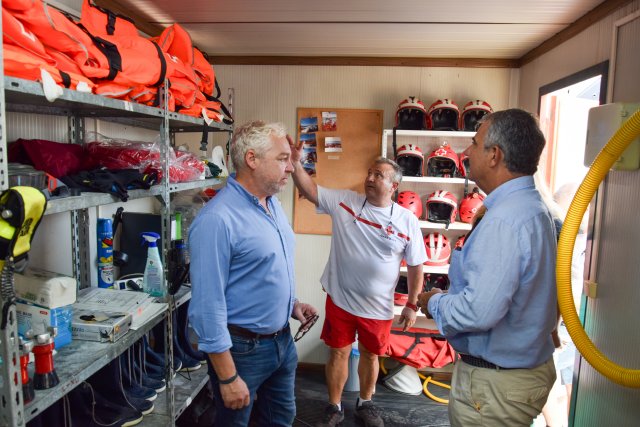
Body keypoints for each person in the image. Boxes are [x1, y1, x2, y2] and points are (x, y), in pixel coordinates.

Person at [417, 109, 558, 427]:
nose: (466, 152)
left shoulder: (505, 221)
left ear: (494, 155)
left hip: (495, 387)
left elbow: (477, 312)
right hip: (513, 377)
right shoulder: (530, 208)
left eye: (475, 143)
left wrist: (434, 302)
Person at [188, 120, 318, 427]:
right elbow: (207, 307)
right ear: (251, 159)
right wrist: (228, 376)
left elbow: (265, 267)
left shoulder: (271, 204)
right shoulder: (217, 220)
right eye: (283, 158)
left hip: (282, 343)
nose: (290, 168)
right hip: (242, 351)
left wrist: (291, 304)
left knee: (281, 420)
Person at [289, 140, 427, 427]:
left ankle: (365, 403)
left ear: (394, 187)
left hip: (378, 308)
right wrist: (297, 163)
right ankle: (334, 406)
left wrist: (412, 304)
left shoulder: (407, 221)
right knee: (338, 352)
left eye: (379, 175)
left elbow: (416, 267)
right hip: (340, 298)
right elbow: (309, 190)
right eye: (369, 173)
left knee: (370, 354)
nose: (370, 178)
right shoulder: (346, 202)